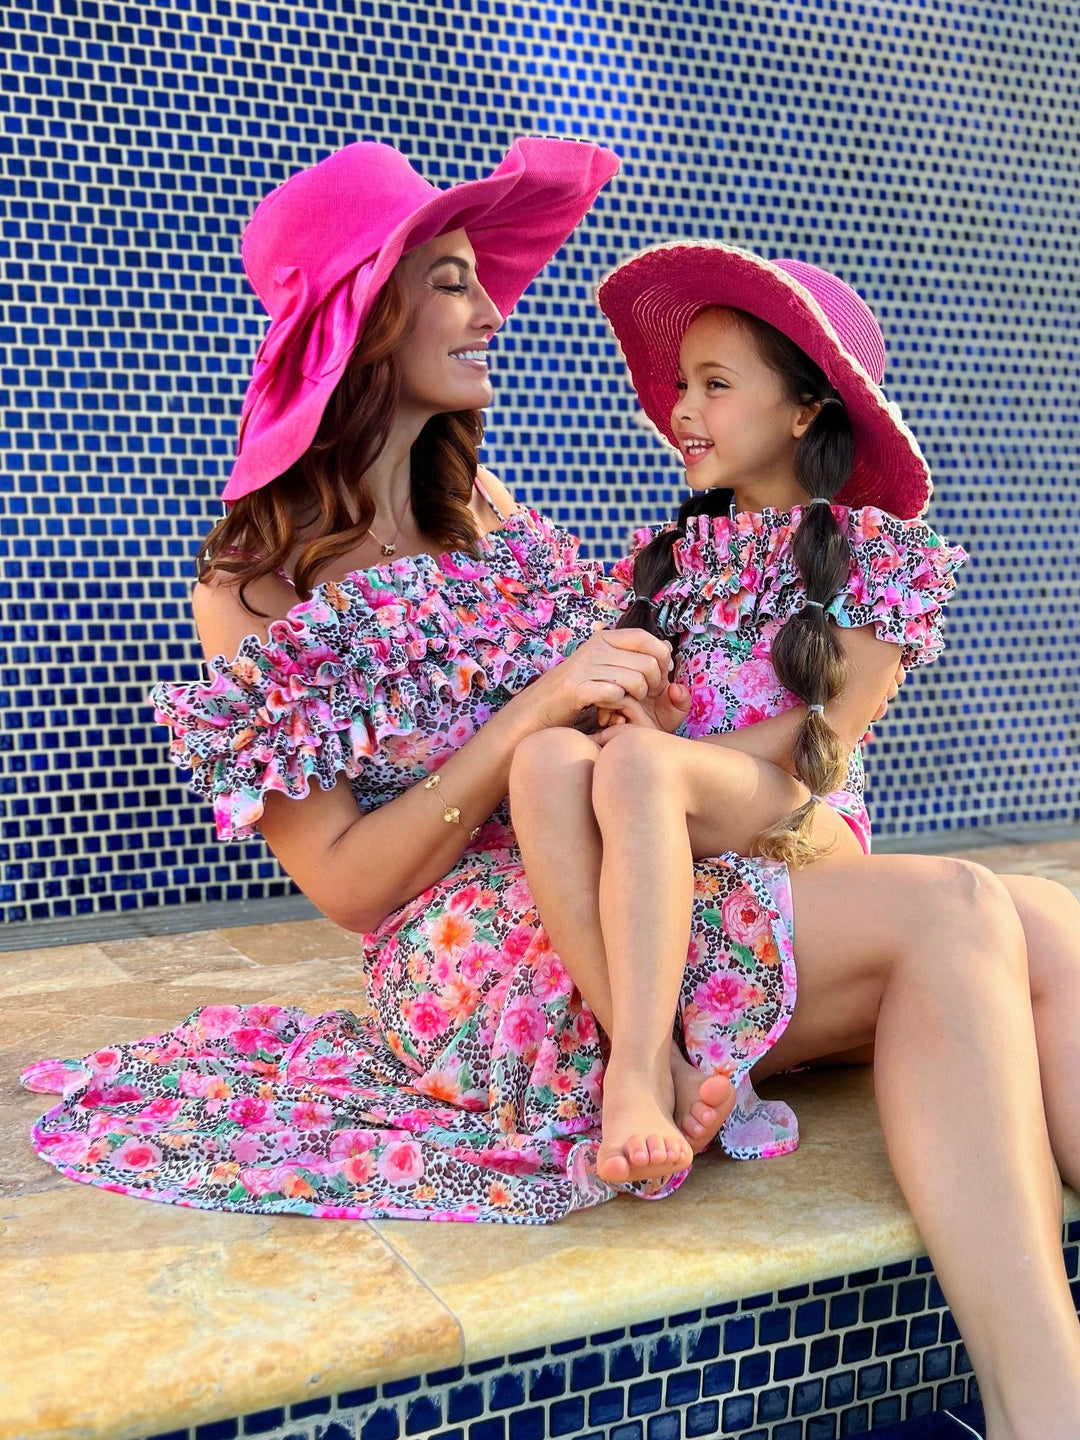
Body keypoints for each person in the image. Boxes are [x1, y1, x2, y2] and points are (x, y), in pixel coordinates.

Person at [17, 141, 1080, 1432]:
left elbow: (611, 691)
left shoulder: (483, 505)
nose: (492, 310)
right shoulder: (253, 584)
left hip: (605, 850)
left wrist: (647, 707)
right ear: (366, 317)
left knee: (1046, 921)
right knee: (958, 913)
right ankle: (1046, 1409)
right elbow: (347, 887)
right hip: (481, 948)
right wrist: (536, 711)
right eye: (452, 283)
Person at [508, 249, 966, 1186]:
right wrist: (651, 725)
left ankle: (634, 1071)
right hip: (687, 800)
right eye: (682, 384)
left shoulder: (877, 552)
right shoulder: (675, 558)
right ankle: (662, 1061)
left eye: (715, 385)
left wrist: (669, 756)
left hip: (804, 816)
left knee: (639, 765)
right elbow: (648, 753)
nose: (682, 408)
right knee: (547, 757)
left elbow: (823, 739)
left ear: (804, 411)